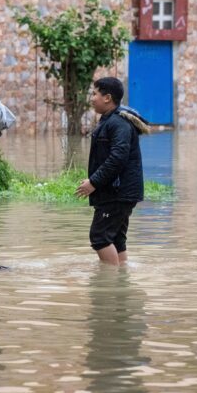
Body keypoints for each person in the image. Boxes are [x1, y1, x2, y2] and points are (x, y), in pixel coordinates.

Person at [75, 77, 146, 266]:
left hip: (117, 193)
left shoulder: (118, 123)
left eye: (94, 94)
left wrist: (94, 182)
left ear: (107, 98)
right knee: (116, 239)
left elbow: (117, 159)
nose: (92, 98)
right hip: (118, 192)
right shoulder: (110, 121)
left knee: (100, 237)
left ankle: (109, 282)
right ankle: (121, 279)